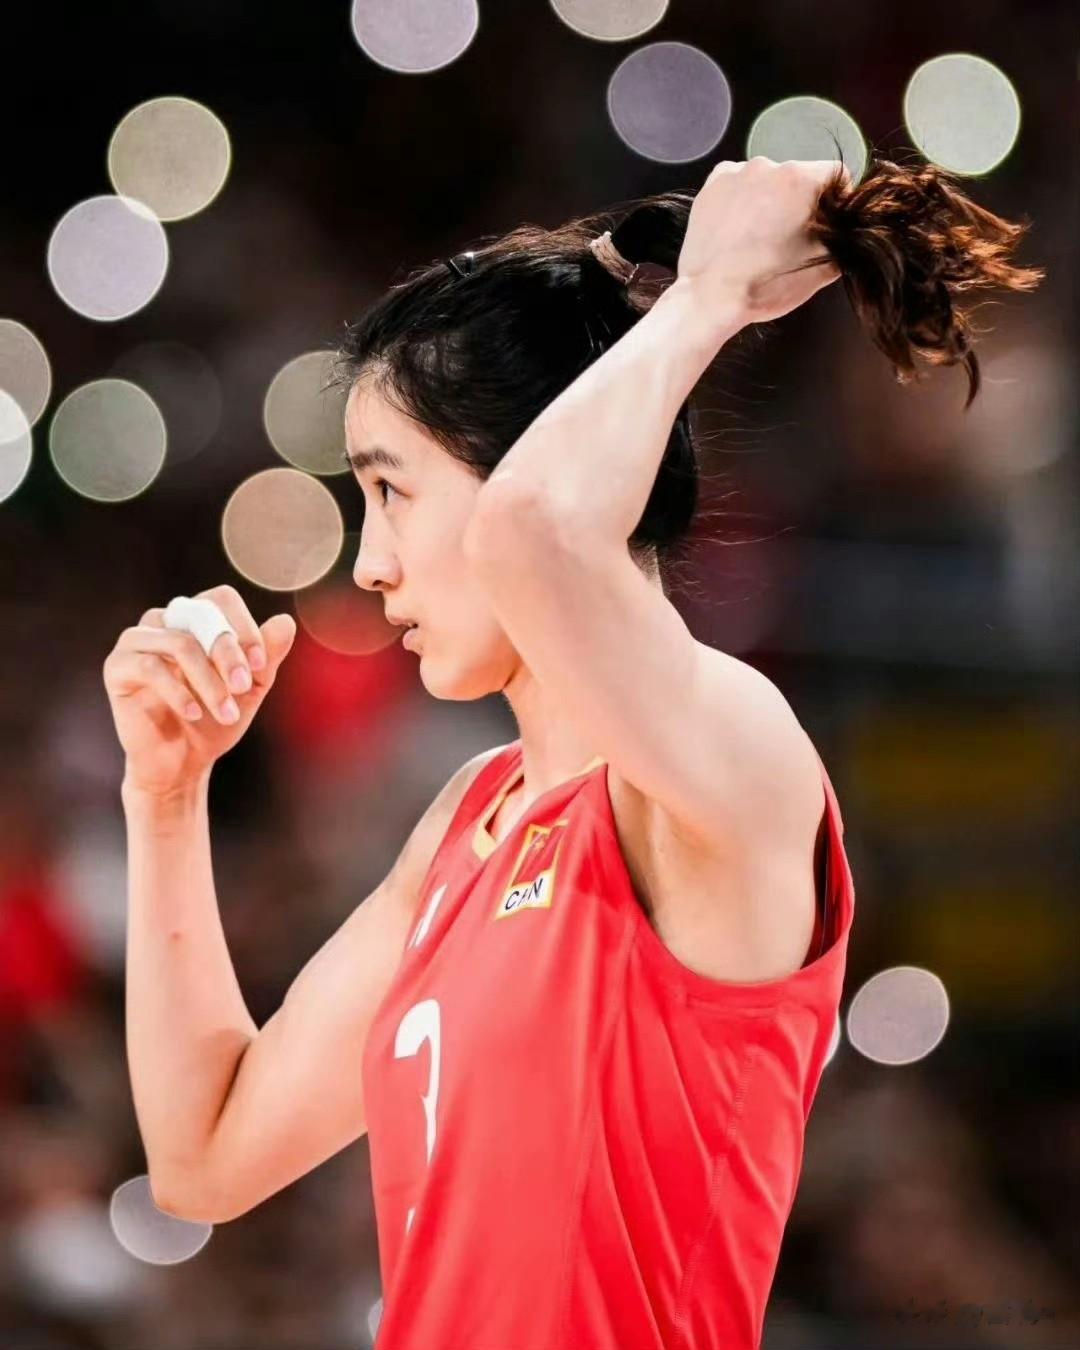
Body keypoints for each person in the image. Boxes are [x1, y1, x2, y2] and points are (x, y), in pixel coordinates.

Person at [104, 155, 1043, 1349]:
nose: (370, 564)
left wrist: (708, 300)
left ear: (533, 463)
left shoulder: (728, 756)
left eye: (393, 493)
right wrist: (166, 795)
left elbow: (535, 535)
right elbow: (203, 1158)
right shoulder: (467, 821)